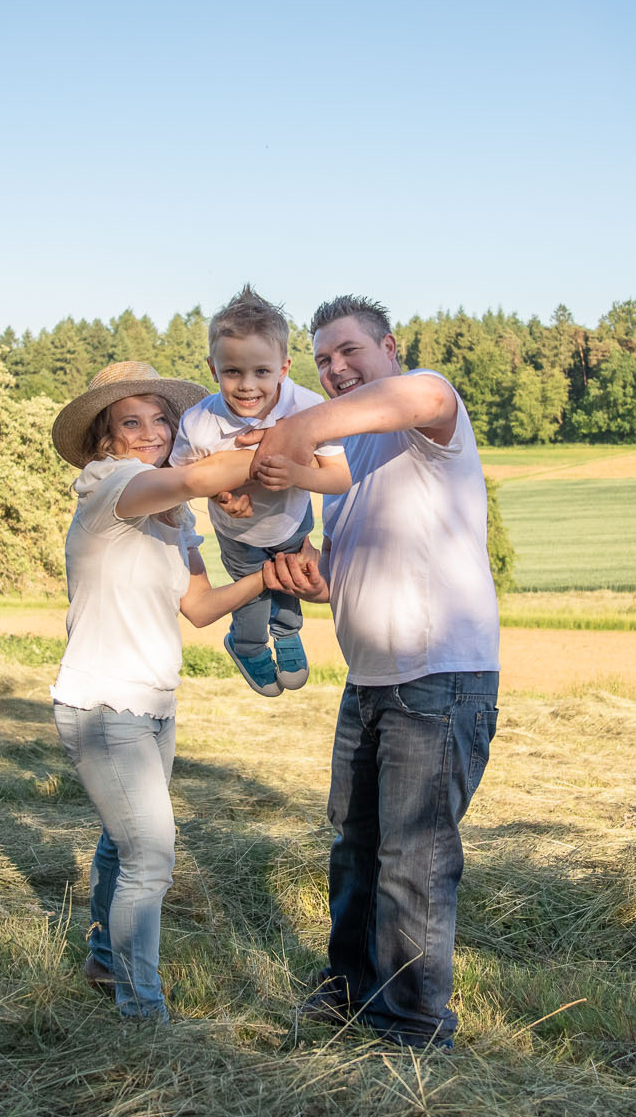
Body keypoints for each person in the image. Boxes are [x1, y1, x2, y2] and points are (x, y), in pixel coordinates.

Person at [246, 295, 501, 1048]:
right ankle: (350, 994)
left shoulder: (428, 411)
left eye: (349, 350)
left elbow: (423, 391)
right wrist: (315, 575)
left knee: (411, 859)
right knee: (356, 850)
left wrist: (298, 424)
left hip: (438, 678)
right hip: (370, 682)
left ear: (389, 347)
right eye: (323, 360)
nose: (336, 368)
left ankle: (412, 1029)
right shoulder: (357, 459)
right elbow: (362, 562)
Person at [48, 360, 273, 1022]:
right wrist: (271, 449)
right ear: (106, 439)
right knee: (151, 852)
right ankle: (141, 1010)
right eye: (131, 421)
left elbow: (200, 606)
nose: (149, 432)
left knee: (123, 843)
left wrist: (267, 576)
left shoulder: (172, 518)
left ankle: (104, 959)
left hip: (153, 703)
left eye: (161, 420)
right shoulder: (111, 485)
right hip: (102, 705)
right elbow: (202, 475)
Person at [171, 287, 350, 697]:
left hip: (291, 523)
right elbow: (179, 480)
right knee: (251, 601)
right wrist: (220, 496)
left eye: (262, 372)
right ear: (213, 370)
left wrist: (296, 476)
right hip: (238, 536)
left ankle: (287, 634)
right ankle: (247, 644)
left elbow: (339, 478)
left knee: (292, 581)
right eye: (233, 371)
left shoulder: (307, 407)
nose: (247, 386)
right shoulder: (199, 422)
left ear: (284, 368)